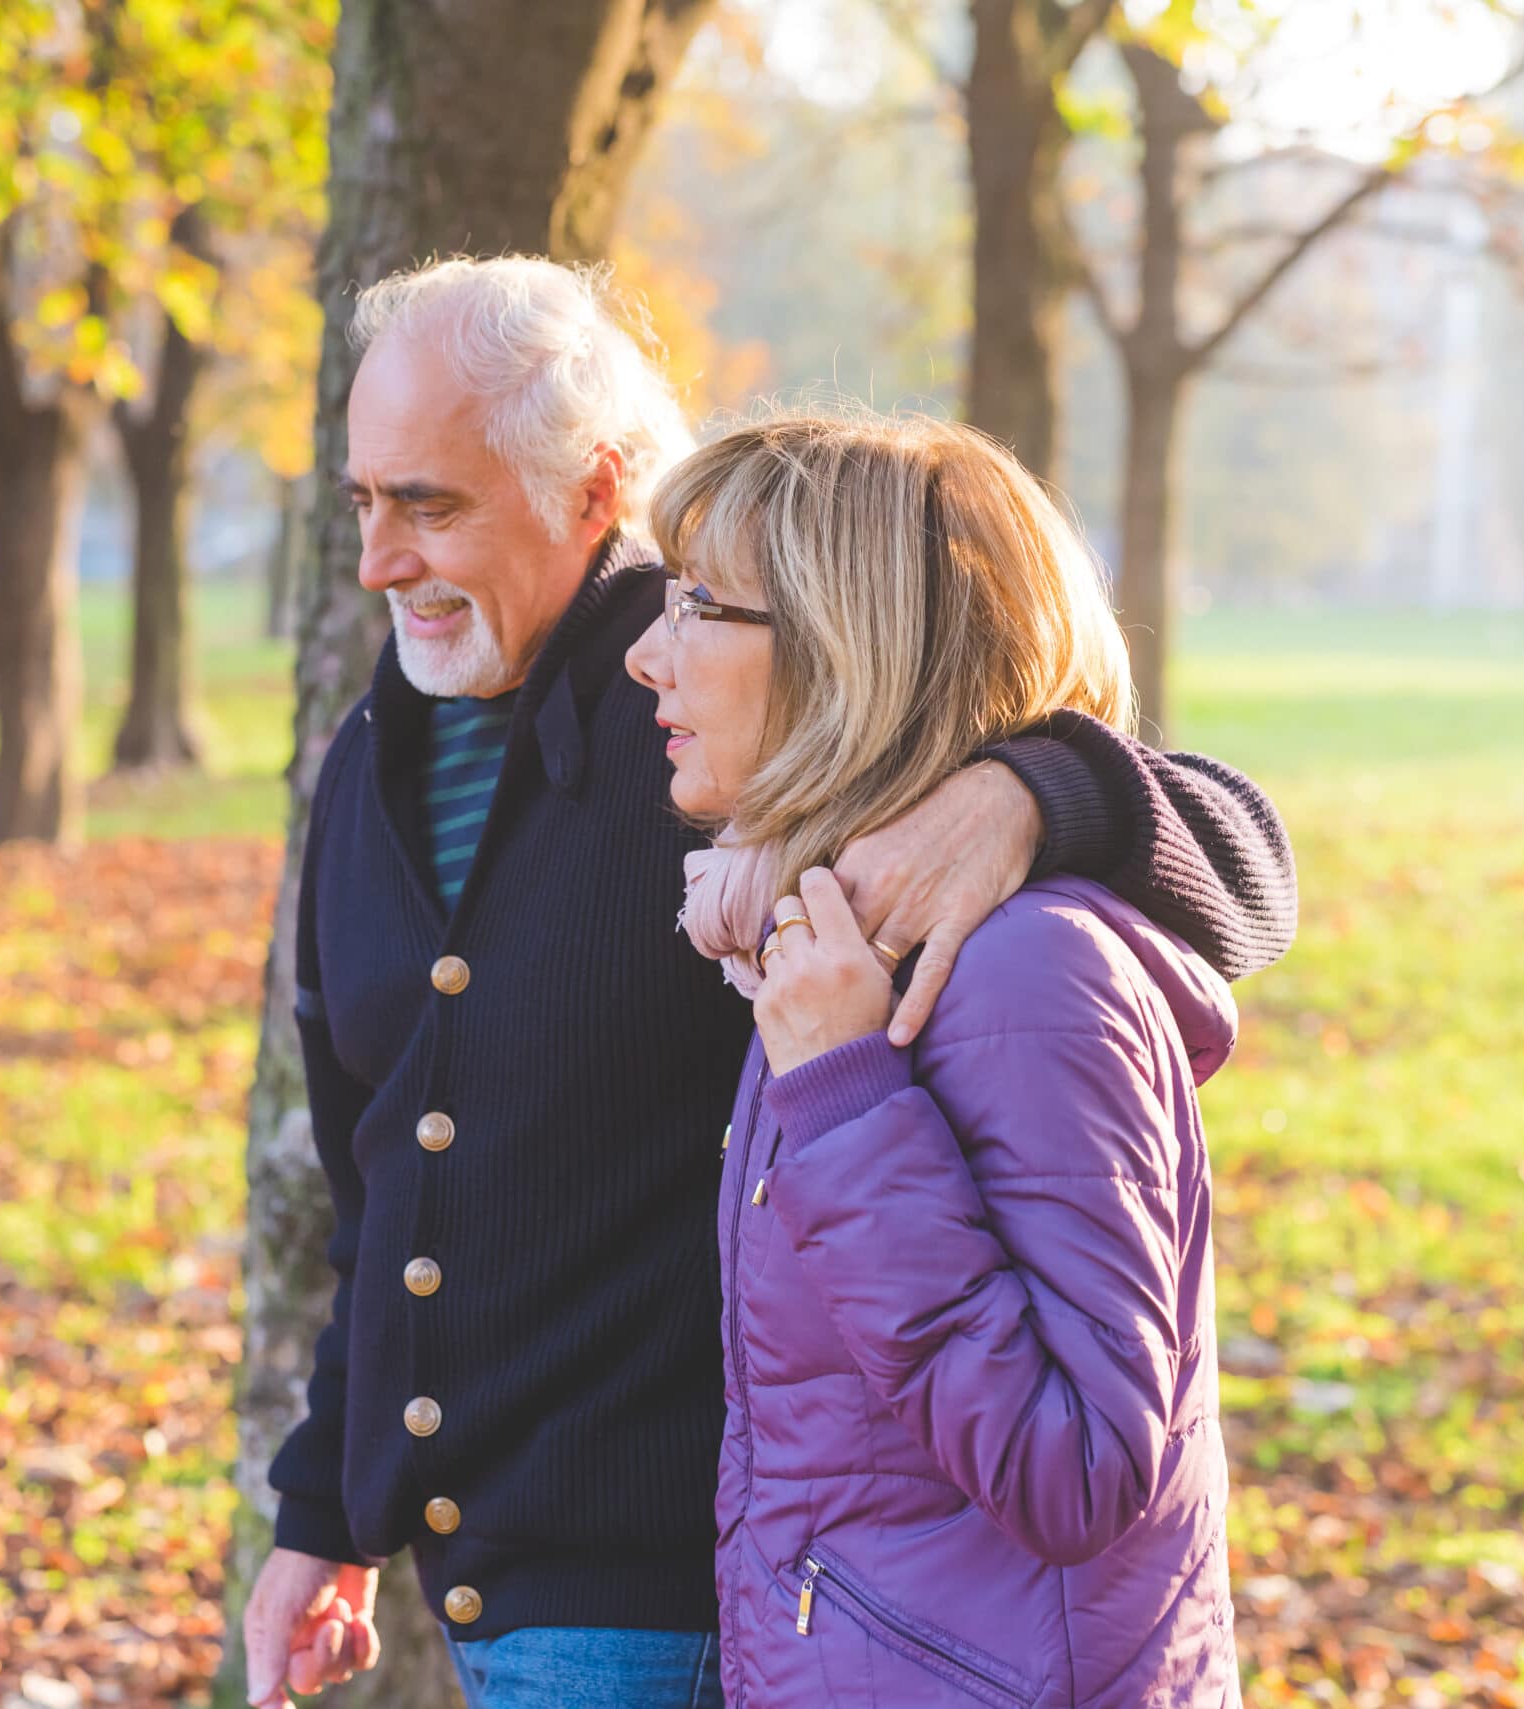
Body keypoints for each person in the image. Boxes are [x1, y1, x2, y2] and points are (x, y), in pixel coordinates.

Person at [242, 257, 1294, 1709]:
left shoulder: (737, 722)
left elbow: (1232, 866)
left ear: (591, 487)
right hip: (593, 1596)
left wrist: (1028, 792)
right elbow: (387, 1174)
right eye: (362, 501)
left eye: (430, 503)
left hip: (698, 1605)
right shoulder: (379, 749)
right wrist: (323, 1509)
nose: (377, 557)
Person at [626, 411, 1244, 1707]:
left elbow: (1079, 1465)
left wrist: (849, 1104)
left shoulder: (1027, 974)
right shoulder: (843, 949)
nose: (645, 654)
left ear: (845, 653)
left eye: (697, 605)